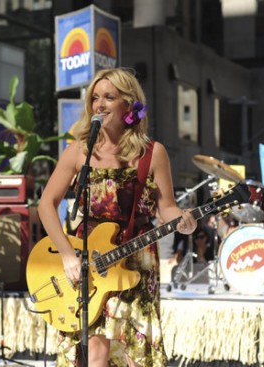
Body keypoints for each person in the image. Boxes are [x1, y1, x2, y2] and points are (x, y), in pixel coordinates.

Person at [37, 68, 198, 367]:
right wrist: (67, 255)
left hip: (137, 258)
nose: (99, 104)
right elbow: (47, 204)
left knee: (132, 352)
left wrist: (185, 221)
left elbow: (168, 209)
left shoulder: (153, 153)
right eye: (95, 98)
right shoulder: (77, 152)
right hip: (91, 261)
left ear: (129, 103)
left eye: (109, 97)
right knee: (95, 351)